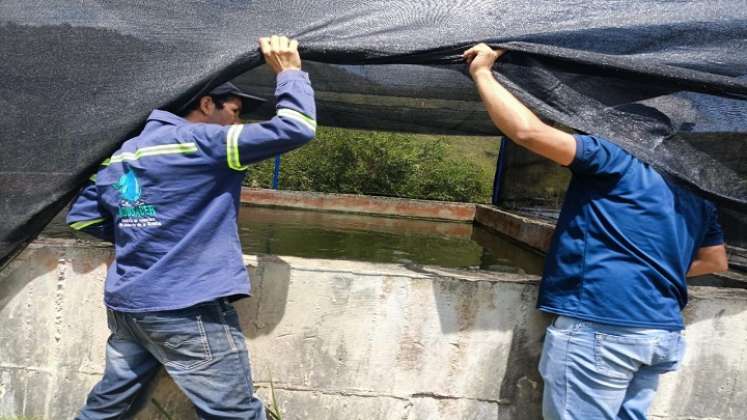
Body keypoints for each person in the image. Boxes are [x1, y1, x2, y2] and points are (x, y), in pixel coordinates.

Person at [463, 43, 729, 419]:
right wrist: (646, 267)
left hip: (603, 328)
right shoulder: (695, 188)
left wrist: (482, 72)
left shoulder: (615, 156)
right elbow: (714, 260)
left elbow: (527, 132)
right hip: (660, 334)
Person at [67, 35, 316, 420]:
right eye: (234, 110)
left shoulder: (125, 152)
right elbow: (296, 128)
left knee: (106, 409)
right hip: (185, 307)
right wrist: (289, 74)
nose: (236, 121)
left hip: (129, 307)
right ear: (205, 103)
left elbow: (84, 216)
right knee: (235, 414)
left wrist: (145, 229)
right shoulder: (204, 142)